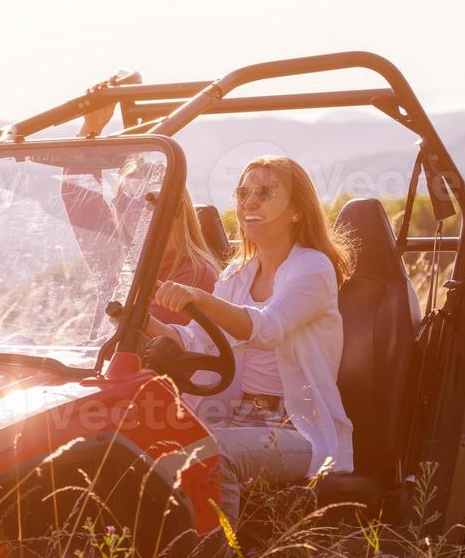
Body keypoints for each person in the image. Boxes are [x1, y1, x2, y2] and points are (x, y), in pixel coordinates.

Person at [144, 155, 354, 522]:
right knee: (148, 441)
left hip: (297, 427)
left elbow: (265, 328)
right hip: (236, 415)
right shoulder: (238, 273)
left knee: (214, 453)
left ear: (296, 211)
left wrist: (202, 298)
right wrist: (141, 317)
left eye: (265, 193)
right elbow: (196, 342)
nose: (249, 202)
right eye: (244, 192)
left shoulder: (313, 268)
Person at [64, 103, 219, 325]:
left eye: (148, 200)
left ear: (175, 206)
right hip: (104, 357)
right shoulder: (121, 255)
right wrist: (91, 127)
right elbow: (77, 196)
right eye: (126, 200)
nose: (134, 210)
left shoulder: (195, 275)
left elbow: (141, 339)